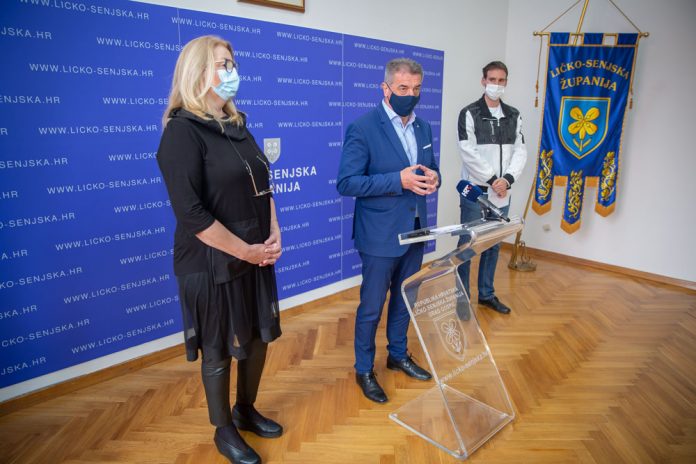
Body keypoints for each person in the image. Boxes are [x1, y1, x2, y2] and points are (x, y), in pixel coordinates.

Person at [156, 35, 282, 464]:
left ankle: (245, 409)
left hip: (255, 253)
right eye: (222, 65)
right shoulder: (181, 131)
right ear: (197, 73)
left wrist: (274, 232)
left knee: (257, 338)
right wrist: (246, 251)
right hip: (209, 261)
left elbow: (263, 186)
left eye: (232, 64)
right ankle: (223, 428)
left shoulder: (238, 126)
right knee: (218, 347)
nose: (231, 72)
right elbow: (191, 214)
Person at [337, 58, 440, 403]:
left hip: (416, 229)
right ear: (385, 89)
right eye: (402, 88)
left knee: (406, 298)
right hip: (379, 235)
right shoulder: (363, 127)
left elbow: (430, 168)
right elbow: (347, 182)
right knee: (371, 307)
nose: (410, 95)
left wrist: (435, 177)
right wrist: (398, 180)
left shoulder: (423, 127)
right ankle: (364, 369)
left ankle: (397, 354)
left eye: (416, 89)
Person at [456, 61, 527, 314]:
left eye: (501, 80)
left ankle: (486, 294)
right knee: (468, 244)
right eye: (492, 79)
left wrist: (506, 180)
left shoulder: (514, 115)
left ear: (506, 82)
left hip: (502, 191)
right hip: (476, 191)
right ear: (483, 81)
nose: (496, 84)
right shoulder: (469, 112)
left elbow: (520, 151)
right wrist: (492, 179)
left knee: (493, 244)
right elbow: (468, 152)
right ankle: (462, 299)